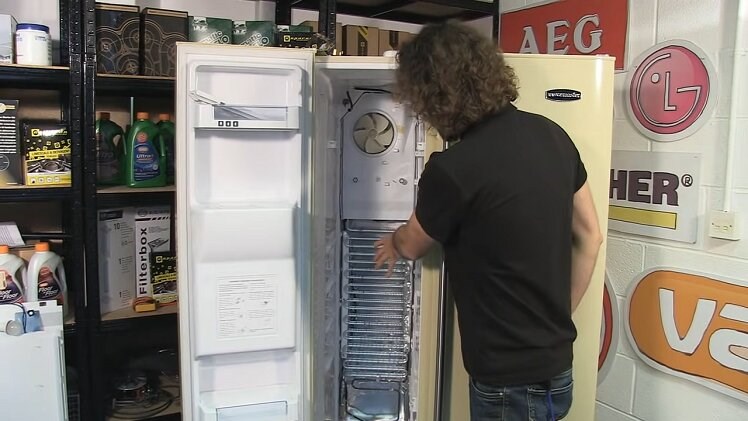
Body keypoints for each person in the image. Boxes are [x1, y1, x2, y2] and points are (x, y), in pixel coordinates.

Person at [373, 20, 603, 421]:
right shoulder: (553, 136)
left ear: (433, 95)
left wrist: (392, 241)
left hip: (508, 382)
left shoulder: (453, 169)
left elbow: (412, 244)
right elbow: (591, 236)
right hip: (557, 366)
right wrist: (555, 319)